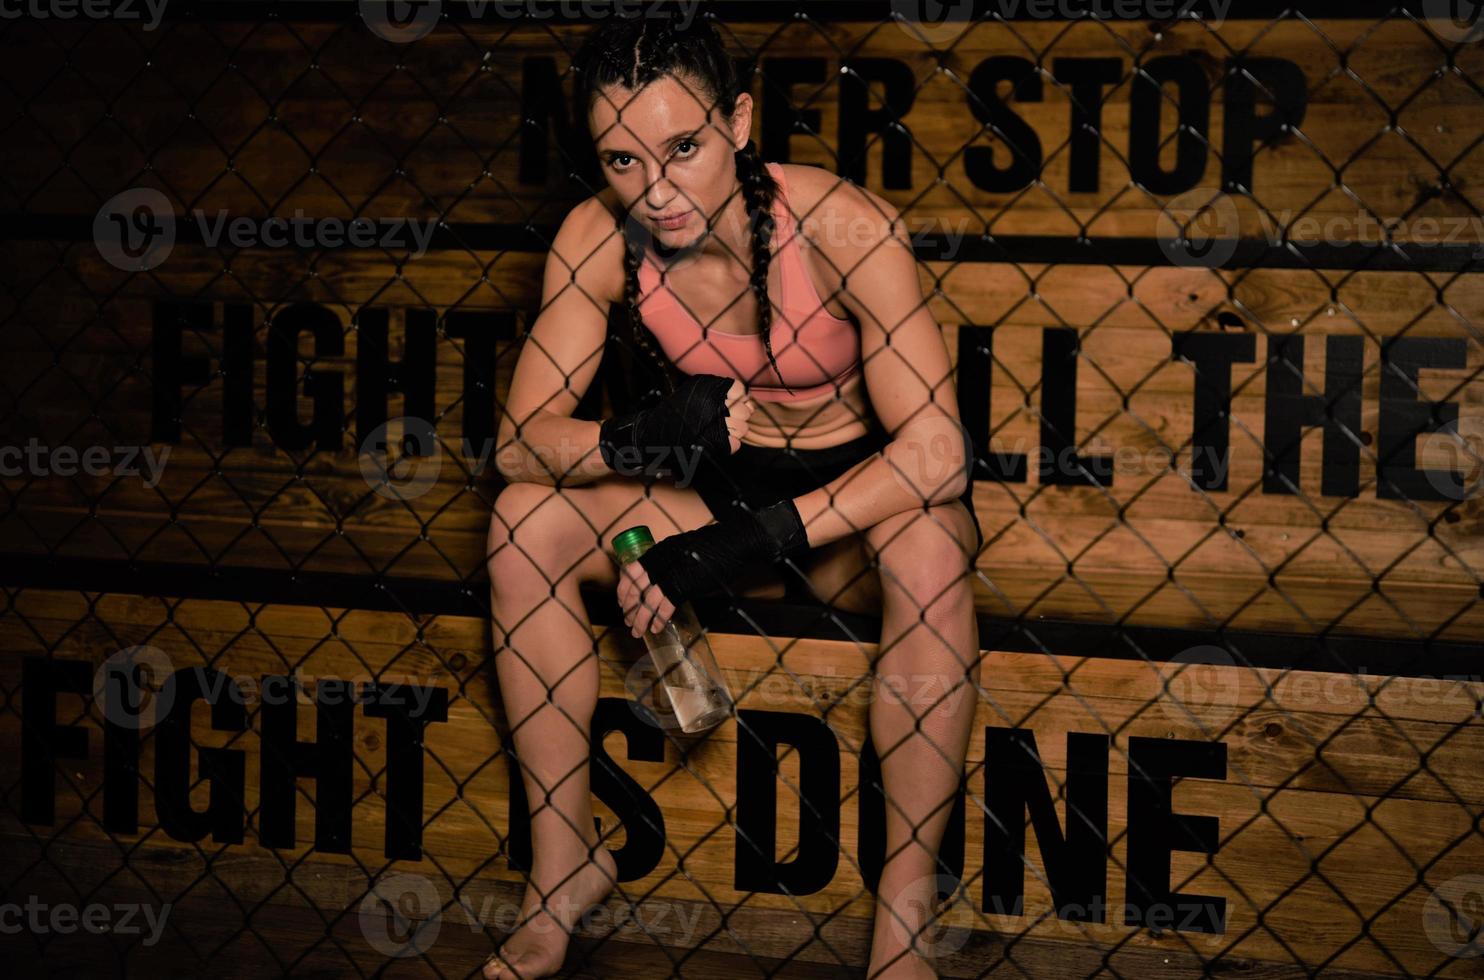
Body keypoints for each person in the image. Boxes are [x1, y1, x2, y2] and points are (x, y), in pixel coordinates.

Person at [483, 14, 982, 979]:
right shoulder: (598, 237)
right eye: (623, 160)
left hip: (848, 511)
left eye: (684, 147)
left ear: (740, 122)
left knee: (932, 548)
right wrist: (642, 437)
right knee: (521, 525)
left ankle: (905, 923)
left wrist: (753, 544)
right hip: (704, 500)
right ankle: (563, 873)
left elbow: (936, 451)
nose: (659, 190)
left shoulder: (843, 227)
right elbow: (518, 445)